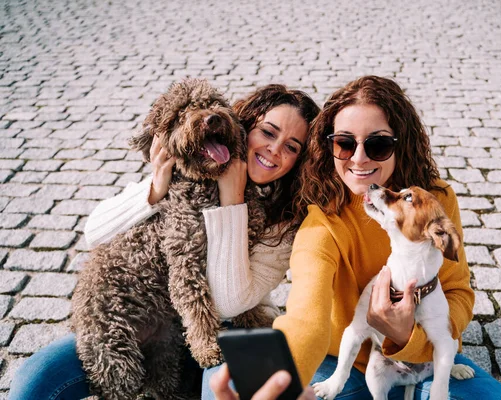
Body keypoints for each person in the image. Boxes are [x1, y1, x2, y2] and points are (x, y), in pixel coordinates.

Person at [8, 84, 320, 400]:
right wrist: (156, 189)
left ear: (300, 159)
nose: (274, 149)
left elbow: (228, 302)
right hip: (155, 321)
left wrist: (232, 200)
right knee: (34, 382)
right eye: (268, 132)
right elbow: (95, 230)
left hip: (231, 328)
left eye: (292, 147)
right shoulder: (191, 167)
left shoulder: (286, 220)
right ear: (246, 124)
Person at [268, 76, 501, 399]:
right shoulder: (323, 221)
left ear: (401, 143)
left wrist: (410, 338)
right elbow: (305, 320)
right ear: (329, 146)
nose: (358, 158)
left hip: (429, 360)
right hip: (348, 369)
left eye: (378, 145)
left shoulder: (434, 203)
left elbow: (458, 293)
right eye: (344, 143)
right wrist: (277, 387)